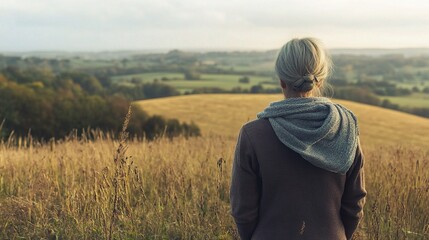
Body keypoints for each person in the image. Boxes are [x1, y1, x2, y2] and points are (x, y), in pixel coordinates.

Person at [230, 38, 366, 240]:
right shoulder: (345, 128)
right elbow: (354, 203)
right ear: (320, 80)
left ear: (281, 80)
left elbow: (243, 210)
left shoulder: (252, 135)